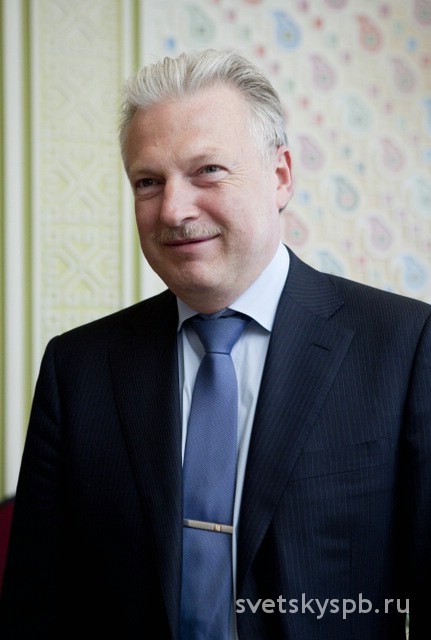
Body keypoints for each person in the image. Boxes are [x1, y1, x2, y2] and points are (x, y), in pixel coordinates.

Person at [0, 48, 429, 640]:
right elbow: (34, 609)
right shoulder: (77, 369)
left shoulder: (406, 347)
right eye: (148, 182)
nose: (173, 210)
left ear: (280, 176)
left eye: (207, 170)